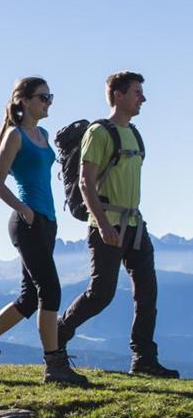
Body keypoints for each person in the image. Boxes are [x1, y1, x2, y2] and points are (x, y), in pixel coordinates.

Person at [0, 77, 88, 385]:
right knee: (50, 290)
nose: (48, 103)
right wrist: (24, 210)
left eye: (50, 97)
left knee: (30, 298)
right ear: (24, 100)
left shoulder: (41, 134)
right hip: (27, 222)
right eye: (43, 97)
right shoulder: (14, 136)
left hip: (47, 222)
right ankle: (54, 366)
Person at [58, 72, 178, 378]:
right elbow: (86, 183)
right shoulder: (99, 133)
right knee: (101, 293)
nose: (143, 98)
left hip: (135, 223)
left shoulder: (135, 135)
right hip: (107, 224)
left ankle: (144, 359)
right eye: (137, 92)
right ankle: (57, 336)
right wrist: (102, 224)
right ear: (118, 95)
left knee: (147, 292)